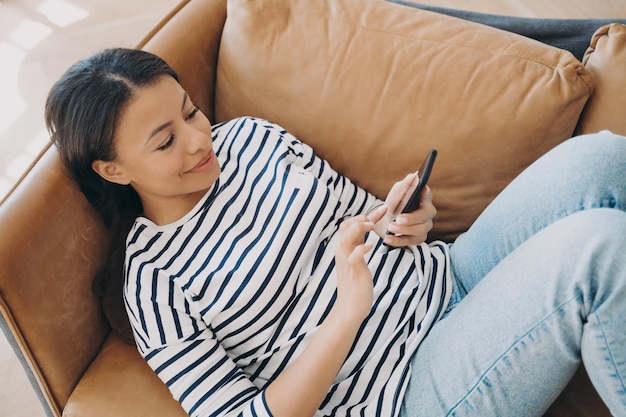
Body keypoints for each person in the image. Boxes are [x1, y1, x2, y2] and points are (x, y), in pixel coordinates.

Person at [45, 47, 626, 417]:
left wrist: (408, 222)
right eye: (165, 141)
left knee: (599, 159)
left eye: (190, 112)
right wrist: (347, 314)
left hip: (449, 275)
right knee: (596, 249)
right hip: (400, 391)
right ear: (113, 170)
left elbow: (372, 221)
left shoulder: (250, 139)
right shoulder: (155, 282)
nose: (200, 139)